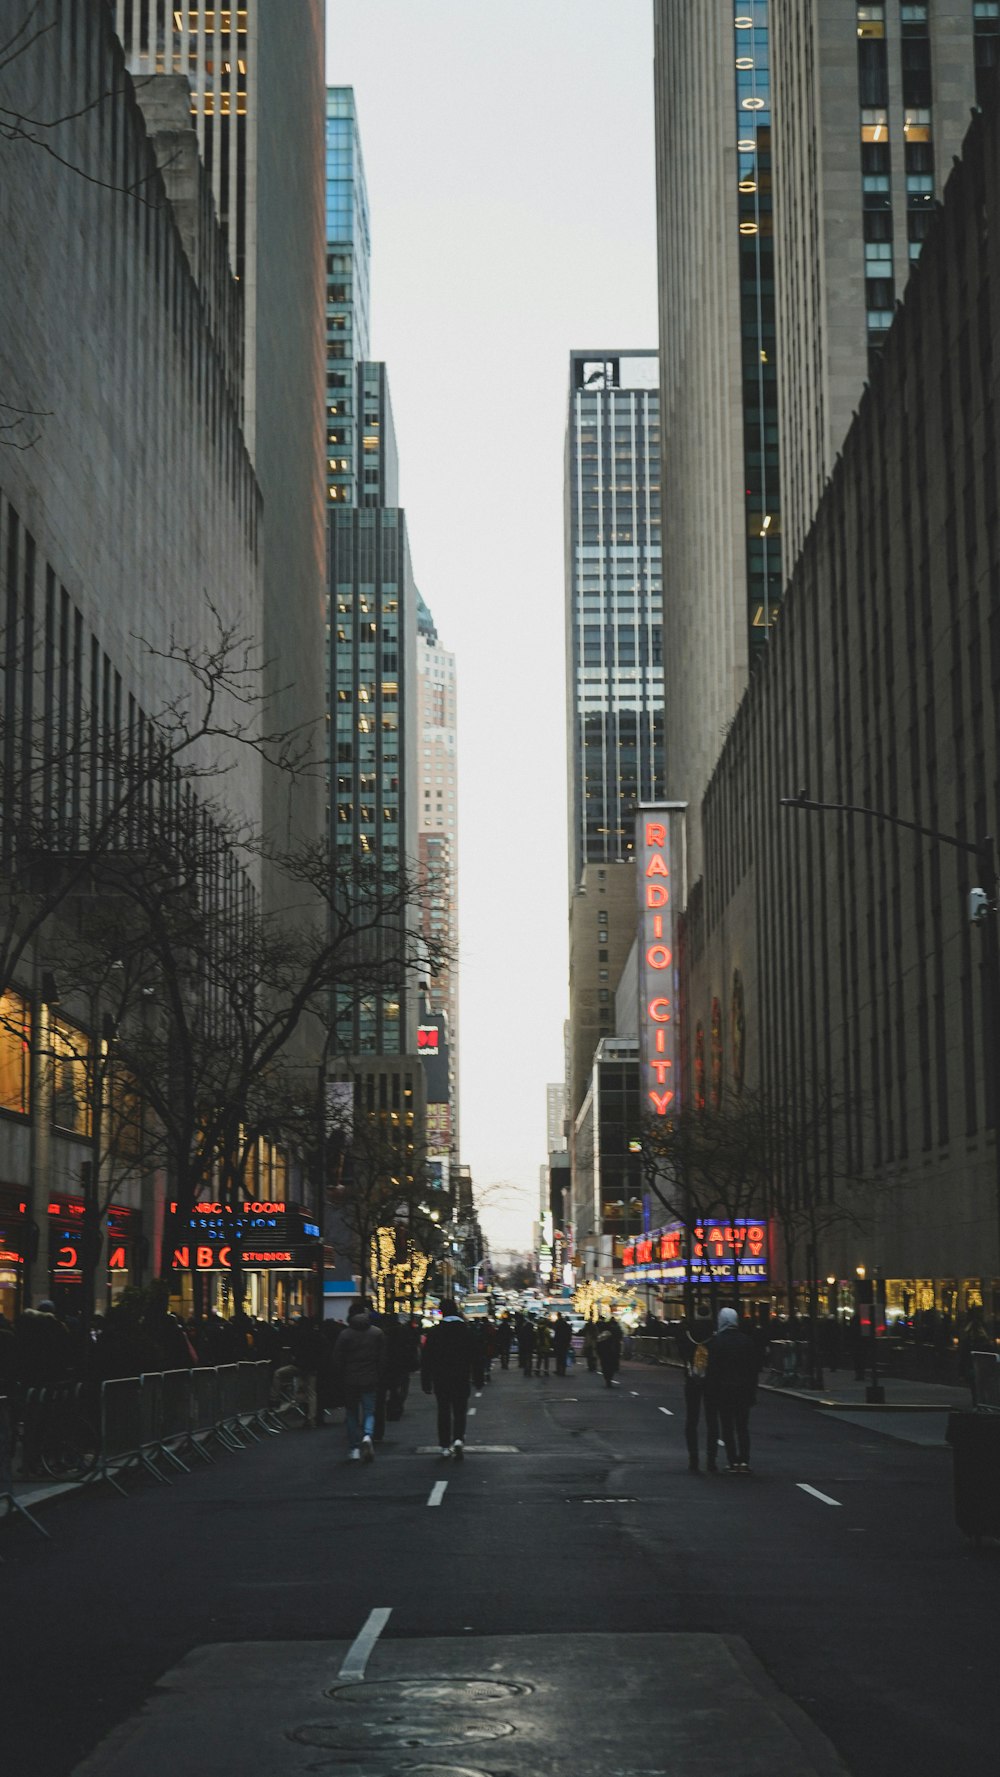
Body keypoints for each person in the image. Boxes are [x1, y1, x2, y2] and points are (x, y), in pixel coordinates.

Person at [330, 1298, 385, 1462]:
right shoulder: (377, 1333)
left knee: (352, 1413)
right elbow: (382, 1359)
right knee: (369, 1411)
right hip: (370, 1377)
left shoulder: (345, 1334)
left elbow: (337, 1358)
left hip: (350, 1379)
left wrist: (340, 1375)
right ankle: (368, 1435)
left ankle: (354, 1448)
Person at [421, 1297, 476, 1458]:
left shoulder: (434, 1333)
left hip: (441, 1378)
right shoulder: (466, 1331)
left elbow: (427, 1359)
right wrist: (478, 1377)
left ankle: (445, 1445)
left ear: (442, 1312)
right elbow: (476, 1356)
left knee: (443, 1410)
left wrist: (426, 1381)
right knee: (460, 1410)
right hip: (461, 1376)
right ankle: (458, 1438)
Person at [705, 1305, 759, 1471]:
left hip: (723, 1390)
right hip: (743, 1389)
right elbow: (753, 1368)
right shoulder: (746, 1341)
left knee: (727, 1426)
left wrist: (711, 1391)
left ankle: (732, 1460)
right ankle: (744, 1460)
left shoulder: (716, 1342)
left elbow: (713, 1369)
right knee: (742, 1426)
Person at [680, 1315, 717, 1473]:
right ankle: (711, 1459)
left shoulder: (688, 1336)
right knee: (712, 1421)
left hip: (692, 1380)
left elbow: (681, 1351)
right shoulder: (714, 1338)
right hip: (711, 1381)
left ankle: (693, 1459)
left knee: (691, 1420)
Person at [596, 1314, 622, 1388]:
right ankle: (609, 1378)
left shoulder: (602, 1336)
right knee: (610, 1366)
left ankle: (608, 1378)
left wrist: (598, 1352)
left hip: (605, 1353)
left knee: (605, 1366)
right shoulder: (614, 1332)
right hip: (611, 1352)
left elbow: (598, 1344)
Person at [552, 1313, 572, 1377]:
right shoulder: (567, 1325)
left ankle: (558, 1370)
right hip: (565, 1343)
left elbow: (556, 1333)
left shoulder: (558, 1324)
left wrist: (554, 1341)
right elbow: (569, 1334)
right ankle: (563, 1371)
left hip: (559, 1342)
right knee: (563, 1357)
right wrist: (568, 1342)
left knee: (559, 1357)